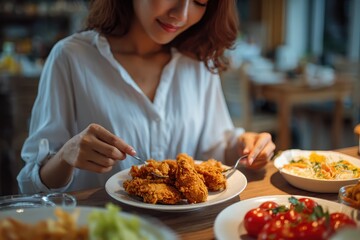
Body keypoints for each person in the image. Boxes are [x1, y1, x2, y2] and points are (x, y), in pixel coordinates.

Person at [17, 0, 276, 194]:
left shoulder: (195, 62)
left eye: (200, 1)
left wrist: (244, 146)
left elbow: (214, 149)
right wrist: (66, 155)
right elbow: (30, 186)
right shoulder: (71, 58)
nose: (181, 14)